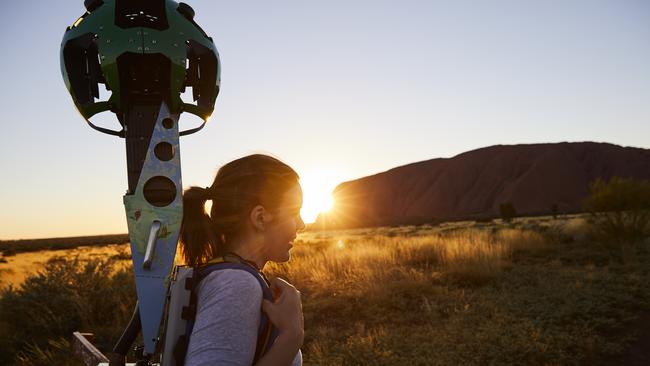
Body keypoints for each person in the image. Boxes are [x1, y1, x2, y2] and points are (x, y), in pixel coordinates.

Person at [180, 154, 305, 366]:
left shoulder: (235, 278)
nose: (301, 224)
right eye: (294, 212)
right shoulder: (236, 284)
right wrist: (291, 337)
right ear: (260, 217)